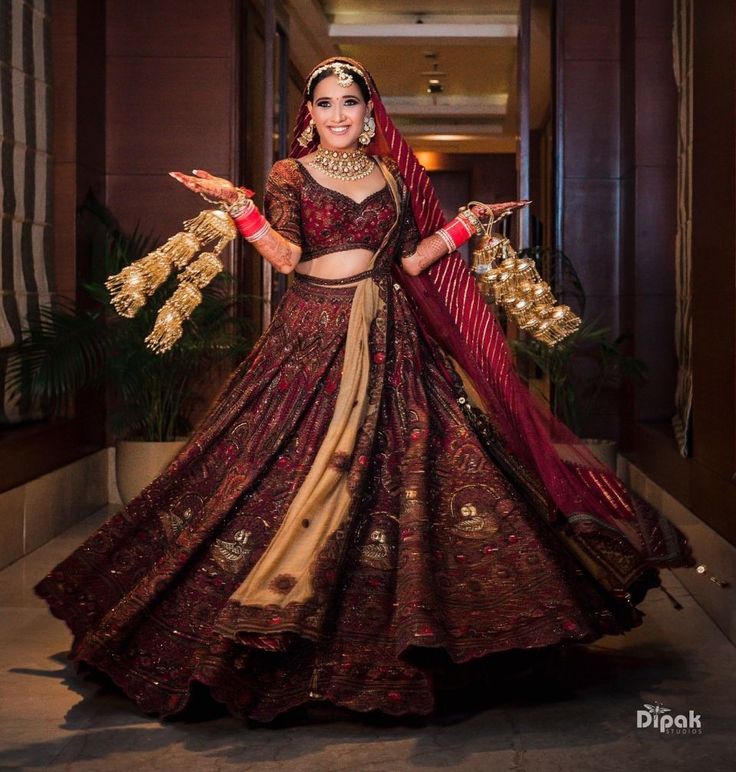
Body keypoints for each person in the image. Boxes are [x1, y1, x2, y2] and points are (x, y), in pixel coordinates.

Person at [36, 57, 696, 723]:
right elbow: (289, 257)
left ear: (369, 110)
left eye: (349, 102)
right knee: (273, 464)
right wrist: (238, 204)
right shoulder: (288, 174)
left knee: (422, 468)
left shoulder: (390, 177)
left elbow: (408, 261)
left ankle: (426, 639)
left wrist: (467, 223)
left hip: (393, 337)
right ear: (311, 114)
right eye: (324, 103)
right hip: (314, 335)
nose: (337, 114)